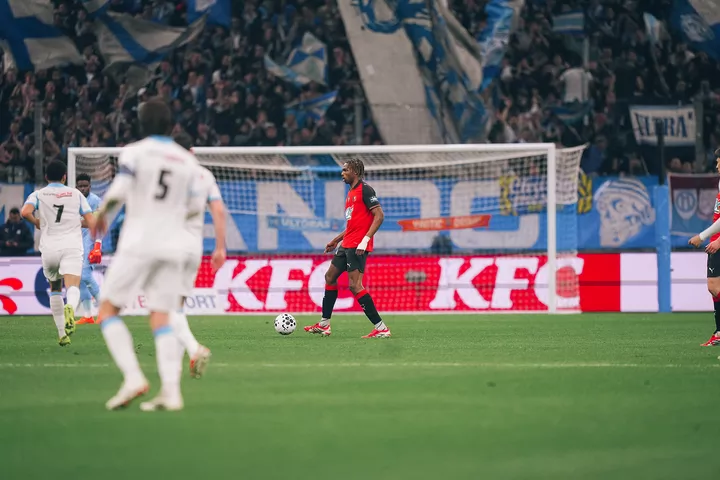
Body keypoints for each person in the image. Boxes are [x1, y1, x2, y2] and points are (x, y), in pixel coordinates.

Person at [91, 98, 199, 412]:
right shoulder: (187, 161)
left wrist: (101, 215)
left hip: (139, 242)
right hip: (174, 244)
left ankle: (133, 378)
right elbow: (193, 208)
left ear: (140, 124)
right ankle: (171, 393)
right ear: (171, 126)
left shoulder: (135, 152)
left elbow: (119, 190)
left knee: (108, 310)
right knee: (162, 316)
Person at [304, 158, 390, 338]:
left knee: (355, 286)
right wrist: (336, 240)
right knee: (330, 277)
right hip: (347, 244)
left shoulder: (365, 190)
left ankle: (382, 328)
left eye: (345, 170)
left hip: (358, 245)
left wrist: (365, 240)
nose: (342, 173)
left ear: (355, 172)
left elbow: (380, 216)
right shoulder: (350, 193)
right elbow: (353, 226)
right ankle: (324, 324)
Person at [20, 161, 96, 346]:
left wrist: (36, 222)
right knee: (73, 286)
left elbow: (25, 212)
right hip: (71, 247)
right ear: (64, 177)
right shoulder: (76, 194)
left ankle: (62, 333)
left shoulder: (38, 194)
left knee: (55, 288)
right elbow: (91, 221)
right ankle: (70, 307)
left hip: (49, 249)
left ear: (46, 177)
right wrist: (77, 222)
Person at [172, 131, 227, 379]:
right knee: (177, 307)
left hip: (166, 245)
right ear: (192, 151)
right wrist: (220, 247)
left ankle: (193, 348)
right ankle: (177, 365)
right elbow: (218, 210)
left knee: (163, 307)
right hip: (193, 248)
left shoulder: (163, 173)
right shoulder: (204, 175)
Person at [689, 148, 720, 346]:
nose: (716, 164)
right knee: (714, 288)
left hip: (718, 241)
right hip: (716, 239)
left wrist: (704, 237)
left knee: (714, 287)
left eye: (719, 161)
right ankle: (719, 332)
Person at [75, 173, 103, 324]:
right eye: (80, 186)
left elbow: (98, 225)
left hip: (90, 240)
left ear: (90, 186)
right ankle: (87, 315)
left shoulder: (96, 201)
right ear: (76, 187)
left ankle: (104, 310)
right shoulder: (73, 200)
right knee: (79, 278)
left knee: (85, 275)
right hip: (76, 240)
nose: (83, 188)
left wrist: (97, 245)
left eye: (85, 186)